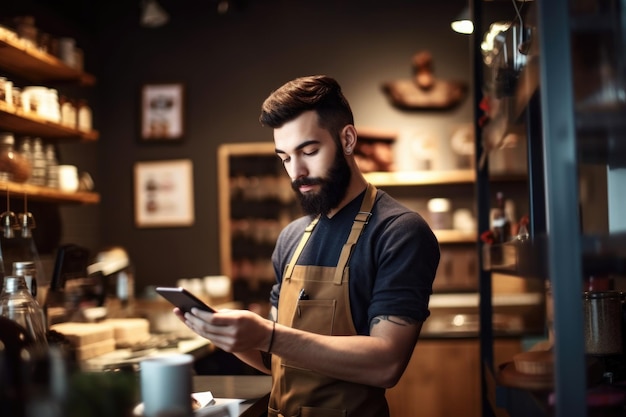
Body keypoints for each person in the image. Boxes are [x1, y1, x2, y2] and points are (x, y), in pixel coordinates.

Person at [176, 75, 440, 417]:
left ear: (347, 139)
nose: (296, 171)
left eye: (309, 151)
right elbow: (277, 360)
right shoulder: (291, 238)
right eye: (284, 158)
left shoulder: (398, 232)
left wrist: (267, 335)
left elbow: (386, 364)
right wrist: (230, 336)